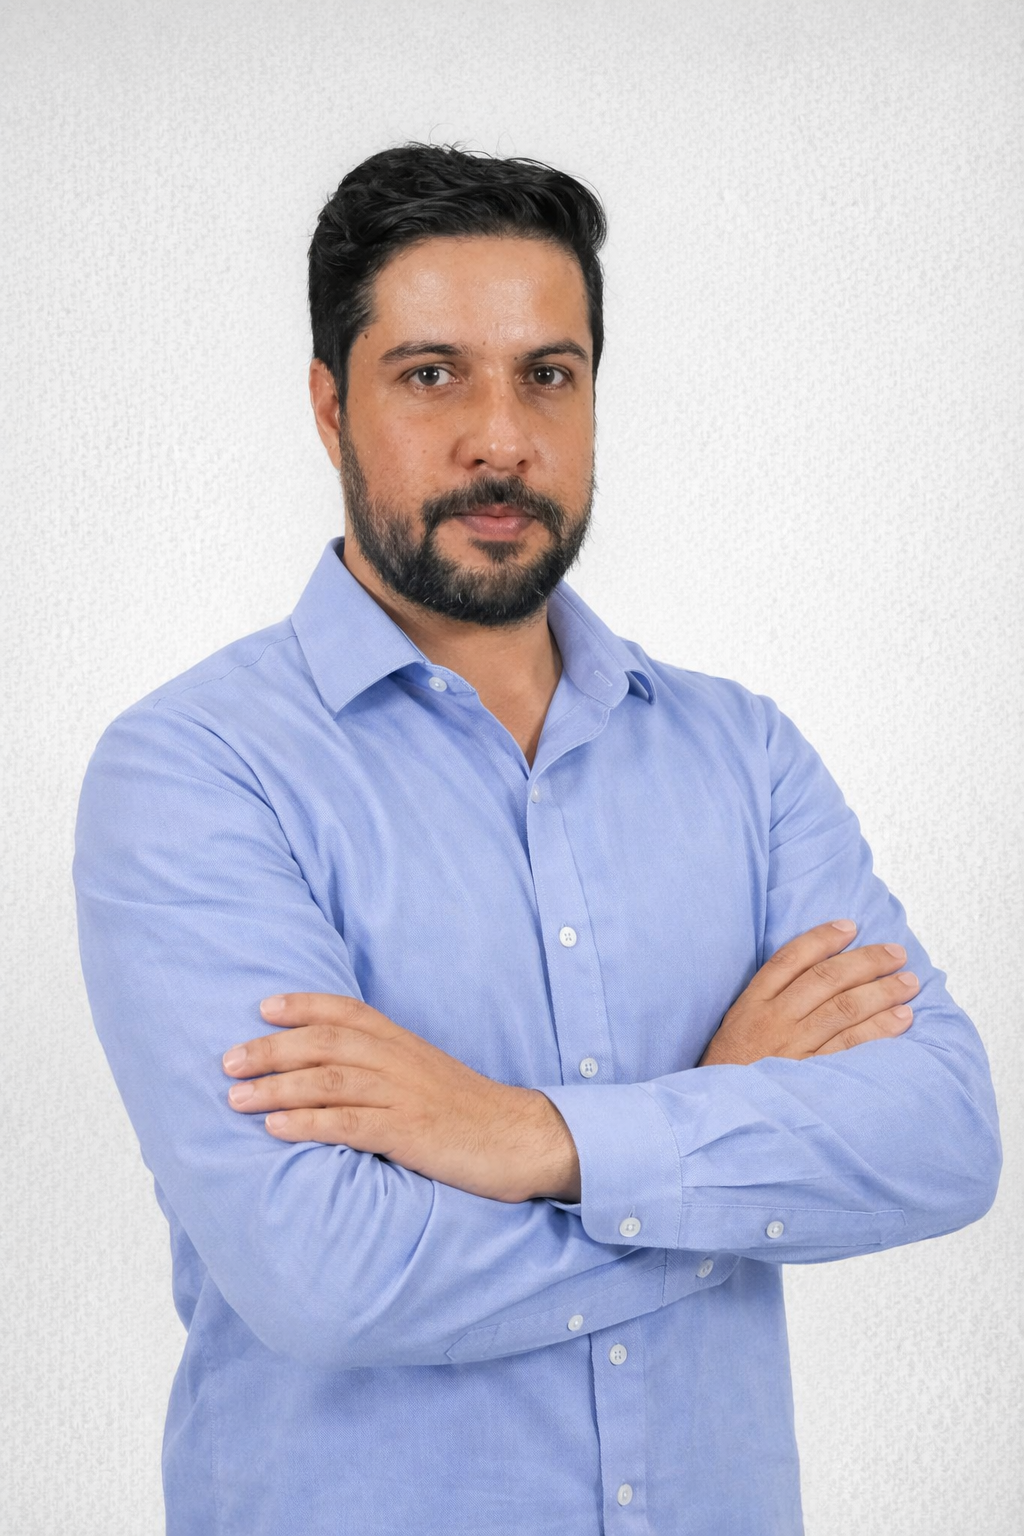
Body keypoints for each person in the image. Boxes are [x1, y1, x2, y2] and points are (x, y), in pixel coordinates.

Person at [73, 144, 1001, 1536]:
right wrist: (718, 1149)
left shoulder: (744, 758)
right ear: (329, 408)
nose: (500, 438)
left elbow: (942, 1139)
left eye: (548, 375)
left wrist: (524, 1137)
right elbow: (328, 1279)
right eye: (432, 374)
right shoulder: (200, 771)